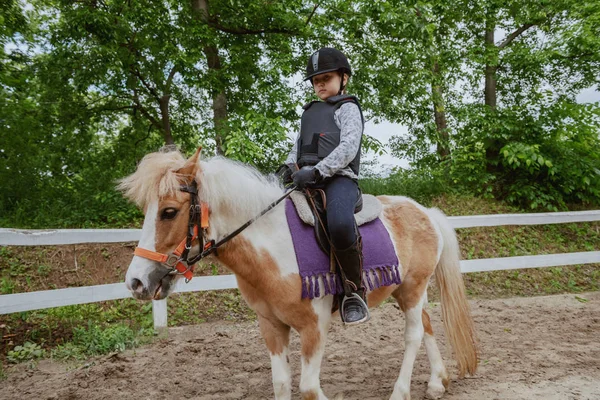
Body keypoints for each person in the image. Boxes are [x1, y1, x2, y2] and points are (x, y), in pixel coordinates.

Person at [278, 47, 369, 325]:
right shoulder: (309, 113)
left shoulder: (348, 108)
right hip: (306, 180)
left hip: (338, 180)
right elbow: (299, 146)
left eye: (326, 78)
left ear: (344, 79)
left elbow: (348, 147)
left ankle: (354, 292)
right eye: (316, 80)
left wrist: (317, 171)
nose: (320, 84)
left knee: (340, 223)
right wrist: (287, 166)